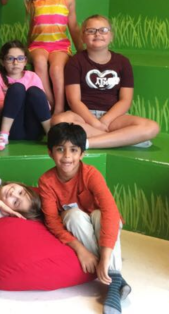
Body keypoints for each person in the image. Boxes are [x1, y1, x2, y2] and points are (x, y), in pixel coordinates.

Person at [38, 123, 131, 314]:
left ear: (82, 154)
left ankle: (113, 281)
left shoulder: (91, 174)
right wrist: (81, 251)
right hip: (79, 227)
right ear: (50, 153)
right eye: (60, 149)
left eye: (73, 150)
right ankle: (118, 279)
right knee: (72, 216)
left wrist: (104, 257)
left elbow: (110, 211)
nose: (66, 156)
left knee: (98, 213)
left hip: (104, 223)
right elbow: (52, 222)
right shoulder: (46, 181)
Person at [51, 15, 160, 148]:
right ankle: (123, 139)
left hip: (114, 117)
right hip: (83, 117)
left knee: (152, 127)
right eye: (91, 31)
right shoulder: (75, 61)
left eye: (103, 30)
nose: (97, 34)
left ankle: (88, 142)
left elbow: (125, 100)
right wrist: (95, 123)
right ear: (83, 37)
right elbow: (74, 101)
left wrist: (105, 120)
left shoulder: (122, 62)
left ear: (111, 36)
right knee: (58, 121)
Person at [23, 0, 83, 114]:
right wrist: (26, 50)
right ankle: (49, 101)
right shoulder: (34, 3)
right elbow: (32, 28)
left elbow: (74, 27)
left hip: (60, 46)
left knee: (56, 68)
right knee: (40, 62)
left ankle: (60, 107)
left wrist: (82, 52)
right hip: (38, 45)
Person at [0, 40, 51, 151]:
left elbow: (46, 106)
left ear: (25, 61)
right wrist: (17, 97)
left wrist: (26, 98)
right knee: (17, 89)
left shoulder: (33, 76)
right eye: (10, 58)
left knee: (34, 92)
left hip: (34, 130)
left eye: (20, 58)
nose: (16, 62)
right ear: (2, 62)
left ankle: (51, 135)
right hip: (12, 129)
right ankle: (3, 137)